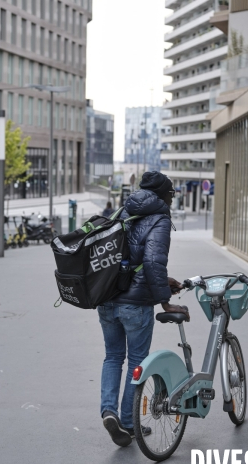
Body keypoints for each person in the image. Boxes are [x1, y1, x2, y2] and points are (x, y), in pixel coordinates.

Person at [98, 171, 189, 448]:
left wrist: (164, 282)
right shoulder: (160, 219)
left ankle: (108, 411)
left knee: (113, 357)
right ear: (163, 195)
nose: (172, 200)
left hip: (107, 297)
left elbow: (129, 258)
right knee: (137, 361)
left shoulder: (123, 211)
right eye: (171, 195)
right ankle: (127, 421)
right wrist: (165, 301)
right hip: (135, 306)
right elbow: (151, 263)